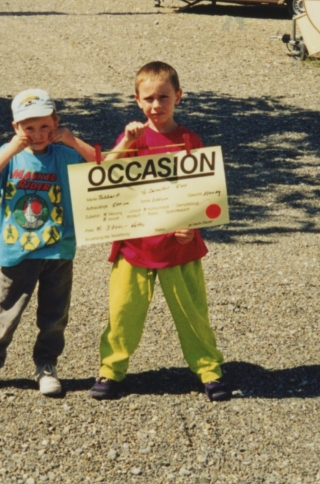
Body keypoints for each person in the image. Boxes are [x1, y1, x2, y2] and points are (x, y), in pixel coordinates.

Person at [89, 62, 231, 402]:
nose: (157, 105)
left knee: (192, 313)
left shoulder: (188, 140)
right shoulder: (132, 140)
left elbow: (204, 192)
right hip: (134, 244)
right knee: (123, 312)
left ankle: (209, 370)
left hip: (179, 245)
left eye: (164, 97)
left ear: (178, 97)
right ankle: (111, 369)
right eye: (149, 98)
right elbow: (103, 175)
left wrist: (193, 226)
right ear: (137, 100)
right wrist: (126, 142)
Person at [0, 88, 98, 397]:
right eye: (29, 128)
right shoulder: (10, 156)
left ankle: (46, 365)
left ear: (56, 122)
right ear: (16, 128)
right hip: (18, 251)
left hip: (58, 248)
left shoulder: (64, 154)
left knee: (54, 315)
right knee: (6, 311)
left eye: (44, 125)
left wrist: (72, 139)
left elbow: (102, 164)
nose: (38, 134)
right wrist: (10, 150)